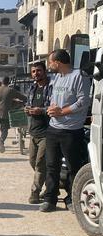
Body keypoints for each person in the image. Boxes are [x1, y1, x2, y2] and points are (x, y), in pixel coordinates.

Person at [40, 49, 91, 213]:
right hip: (53, 129)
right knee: (51, 166)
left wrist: (62, 111)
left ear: (58, 62)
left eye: (50, 62)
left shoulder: (79, 76)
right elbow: (56, 99)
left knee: (73, 167)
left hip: (71, 131)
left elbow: (83, 101)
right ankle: (50, 199)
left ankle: (72, 199)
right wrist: (52, 109)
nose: (49, 65)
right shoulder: (56, 78)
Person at [24, 62, 51, 205]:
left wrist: (41, 110)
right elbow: (28, 104)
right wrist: (27, 109)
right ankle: (52, 185)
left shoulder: (51, 87)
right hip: (33, 131)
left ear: (45, 71)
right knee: (32, 161)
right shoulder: (32, 88)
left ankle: (35, 193)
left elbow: (54, 107)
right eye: (33, 71)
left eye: (39, 71)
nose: (36, 73)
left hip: (47, 132)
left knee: (40, 164)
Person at [0, 77, 27, 153]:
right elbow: (23, 97)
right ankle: (1, 141)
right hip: (5, 113)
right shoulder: (11, 90)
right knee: (5, 129)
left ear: (1, 82)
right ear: (9, 82)